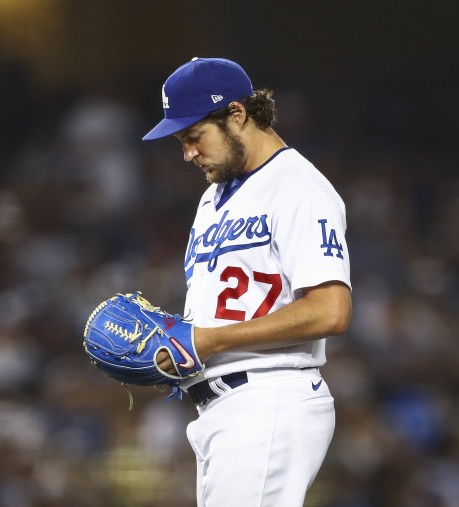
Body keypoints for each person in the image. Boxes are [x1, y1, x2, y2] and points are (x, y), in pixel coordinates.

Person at [143, 57, 352, 506]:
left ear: (237, 114)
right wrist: (179, 349)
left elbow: (330, 310)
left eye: (194, 136)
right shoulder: (212, 197)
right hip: (224, 407)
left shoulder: (300, 189)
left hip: (268, 398)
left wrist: (209, 341)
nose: (188, 154)